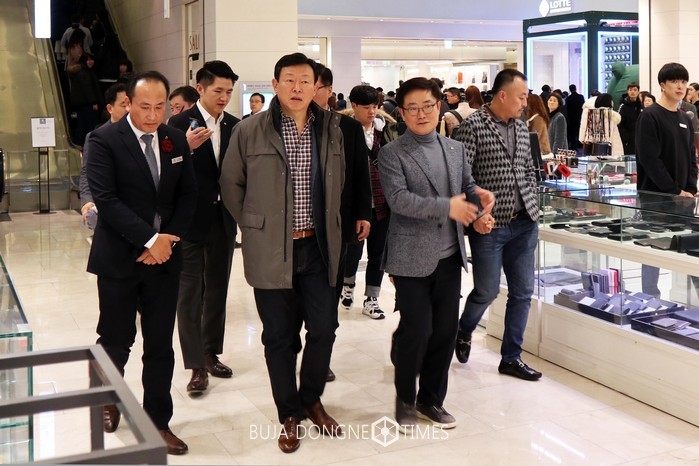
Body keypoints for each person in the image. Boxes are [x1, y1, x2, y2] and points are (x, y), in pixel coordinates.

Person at [220, 53, 345, 454]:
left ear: (316, 86)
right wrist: (254, 225)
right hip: (272, 248)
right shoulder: (249, 130)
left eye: (305, 80)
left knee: (324, 328)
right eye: (289, 80)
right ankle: (288, 413)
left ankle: (311, 399)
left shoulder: (331, 128)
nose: (297, 88)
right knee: (278, 336)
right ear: (275, 85)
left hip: (319, 246)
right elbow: (230, 184)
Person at [86, 71, 197, 455]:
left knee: (160, 345)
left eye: (159, 107)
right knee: (116, 340)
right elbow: (107, 200)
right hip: (119, 259)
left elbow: (188, 196)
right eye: (144, 106)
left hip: (163, 261)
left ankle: (158, 422)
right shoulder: (103, 140)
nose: (152, 115)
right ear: (128, 103)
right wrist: (151, 239)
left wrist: (168, 239)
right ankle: (107, 399)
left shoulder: (174, 139)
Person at [378, 77, 494, 431]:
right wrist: (448, 207)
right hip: (410, 256)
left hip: (449, 256)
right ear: (401, 113)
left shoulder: (454, 148)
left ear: (439, 105)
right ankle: (405, 400)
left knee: (444, 332)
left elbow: (466, 187)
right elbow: (399, 200)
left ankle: (431, 399)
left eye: (427, 106)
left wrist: (479, 202)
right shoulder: (392, 153)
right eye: (412, 108)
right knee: (417, 330)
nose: (421, 114)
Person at [453, 68, 542, 382]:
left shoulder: (521, 126)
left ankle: (511, 357)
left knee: (523, 292)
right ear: (502, 95)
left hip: (525, 221)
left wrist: (532, 199)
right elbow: (460, 176)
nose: (525, 102)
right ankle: (464, 330)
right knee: (487, 290)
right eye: (521, 97)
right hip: (490, 226)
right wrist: (477, 214)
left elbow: (528, 169)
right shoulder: (472, 127)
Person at [168, 60, 240, 394]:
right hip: (188, 222)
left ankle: (211, 353)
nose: (224, 97)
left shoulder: (237, 126)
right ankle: (196, 365)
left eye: (229, 91)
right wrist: (185, 147)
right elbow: (166, 170)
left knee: (217, 289)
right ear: (200, 89)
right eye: (218, 90)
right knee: (189, 294)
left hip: (224, 219)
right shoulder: (177, 124)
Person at [313, 64, 371, 382]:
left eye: (315, 86)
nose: (306, 91)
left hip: (337, 224)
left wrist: (363, 213)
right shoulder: (286, 128)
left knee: (330, 293)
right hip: (297, 228)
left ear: (329, 91)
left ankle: (322, 356)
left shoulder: (348, 128)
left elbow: (361, 174)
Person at [636, 63, 698, 297]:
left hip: (685, 200)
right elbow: (650, 160)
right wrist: (674, 190)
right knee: (653, 251)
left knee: (690, 248)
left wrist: (690, 189)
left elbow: (691, 157)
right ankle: (649, 300)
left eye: (683, 81)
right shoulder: (649, 116)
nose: (680, 86)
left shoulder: (685, 118)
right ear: (662, 85)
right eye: (674, 81)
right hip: (656, 199)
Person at [339, 85, 397, 319]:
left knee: (378, 252)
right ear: (354, 106)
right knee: (352, 248)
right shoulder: (342, 131)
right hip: (355, 203)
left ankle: (372, 298)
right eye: (366, 107)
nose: (372, 111)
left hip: (383, 201)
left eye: (375, 106)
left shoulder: (387, 130)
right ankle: (348, 285)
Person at [80, 83, 129, 225]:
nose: (128, 109)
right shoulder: (96, 137)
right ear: (110, 108)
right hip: (108, 206)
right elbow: (87, 171)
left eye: (130, 104)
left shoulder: (142, 134)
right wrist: (87, 200)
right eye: (123, 105)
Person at [69, 53, 102, 145]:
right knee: (89, 124)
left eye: (92, 59)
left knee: (82, 124)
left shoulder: (81, 71)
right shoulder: (84, 72)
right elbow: (87, 88)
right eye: (88, 60)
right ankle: (88, 144)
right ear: (84, 61)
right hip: (87, 104)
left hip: (81, 104)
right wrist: (93, 102)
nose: (91, 62)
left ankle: (81, 143)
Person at [618, 82, 643, 155]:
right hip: (628, 140)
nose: (632, 92)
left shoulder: (640, 105)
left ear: (638, 92)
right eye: (630, 90)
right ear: (627, 91)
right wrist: (626, 137)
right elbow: (619, 122)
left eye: (635, 90)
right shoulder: (623, 106)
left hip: (639, 138)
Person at [566, 84, 585, 149]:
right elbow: (583, 107)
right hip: (580, 116)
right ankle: (580, 144)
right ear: (576, 88)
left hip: (571, 118)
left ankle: (574, 146)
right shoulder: (581, 97)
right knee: (579, 131)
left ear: (570, 90)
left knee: (572, 133)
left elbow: (567, 109)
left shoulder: (568, 98)